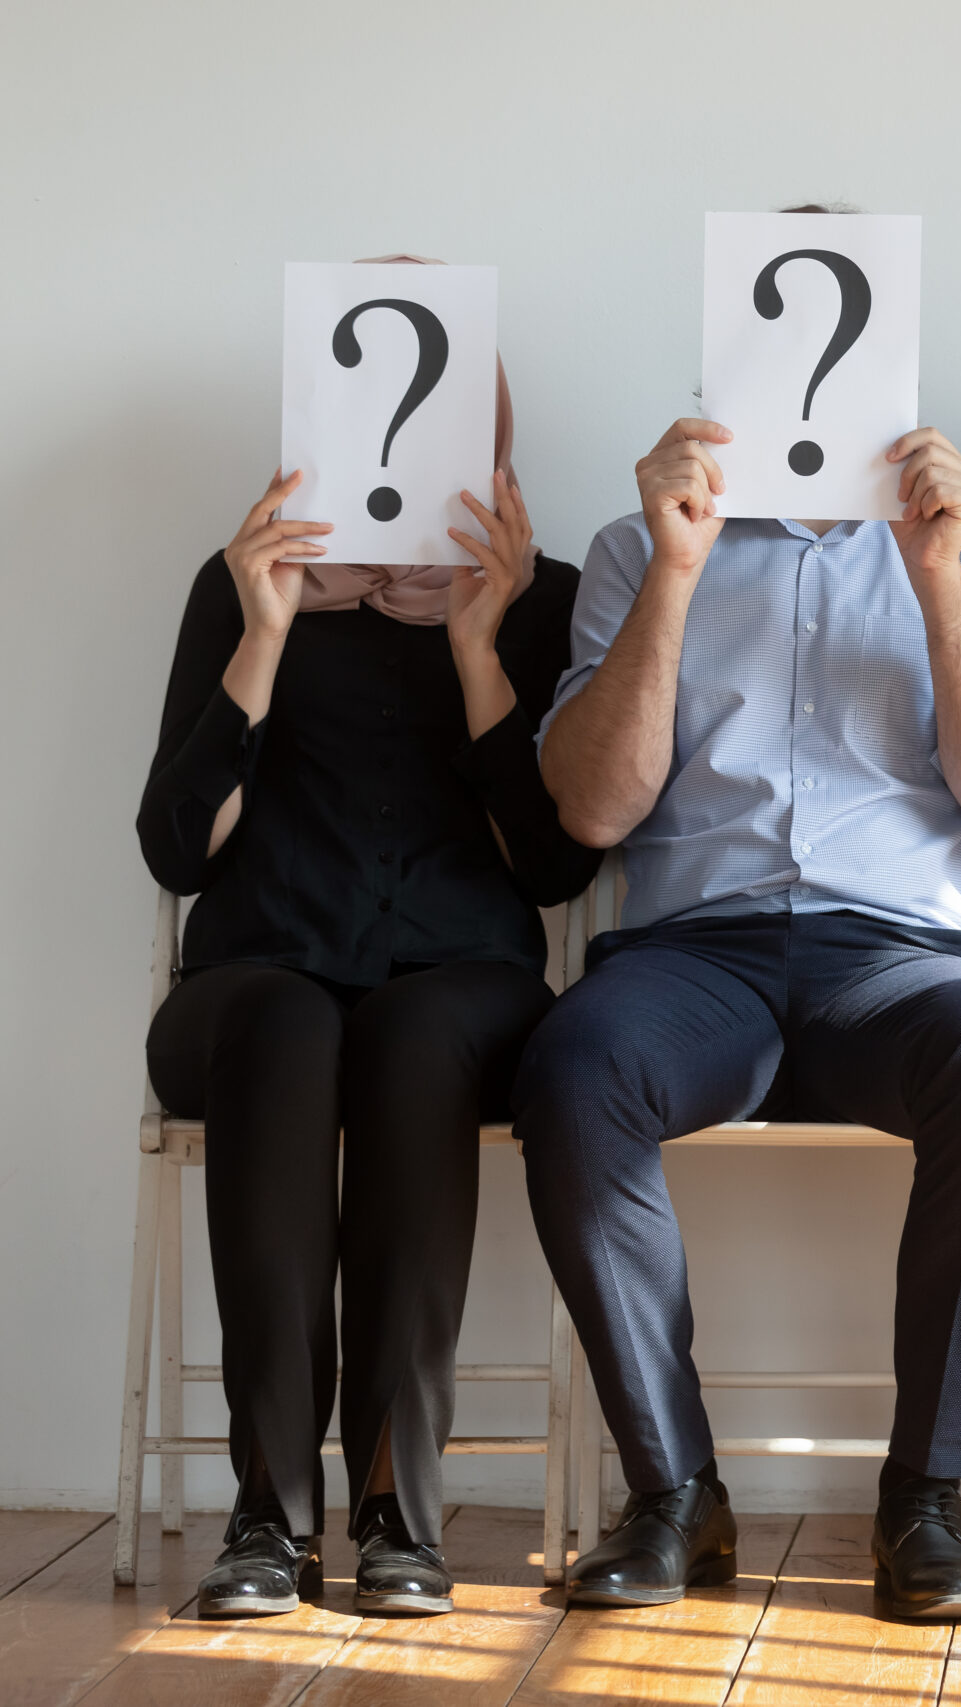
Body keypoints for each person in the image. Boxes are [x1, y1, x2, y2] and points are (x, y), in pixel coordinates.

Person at [514, 346, 961, 1619]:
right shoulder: (633, 547)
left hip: (903, 962)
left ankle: (926, 1501)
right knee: (572, 1065)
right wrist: (674, 570)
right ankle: (674, 1496)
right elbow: (593, 810)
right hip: (694, 957)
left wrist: (935, 577)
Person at [137, 297, 596, 1620]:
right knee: (290, 1029)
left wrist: (474, 642)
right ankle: (270, 1511)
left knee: (407, 1035)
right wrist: (267, 625)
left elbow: (556, 866)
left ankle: (398, 1503)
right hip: (252, 981)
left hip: (460, 985)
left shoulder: (544, 598)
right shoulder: (240, 585)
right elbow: (177, 846)